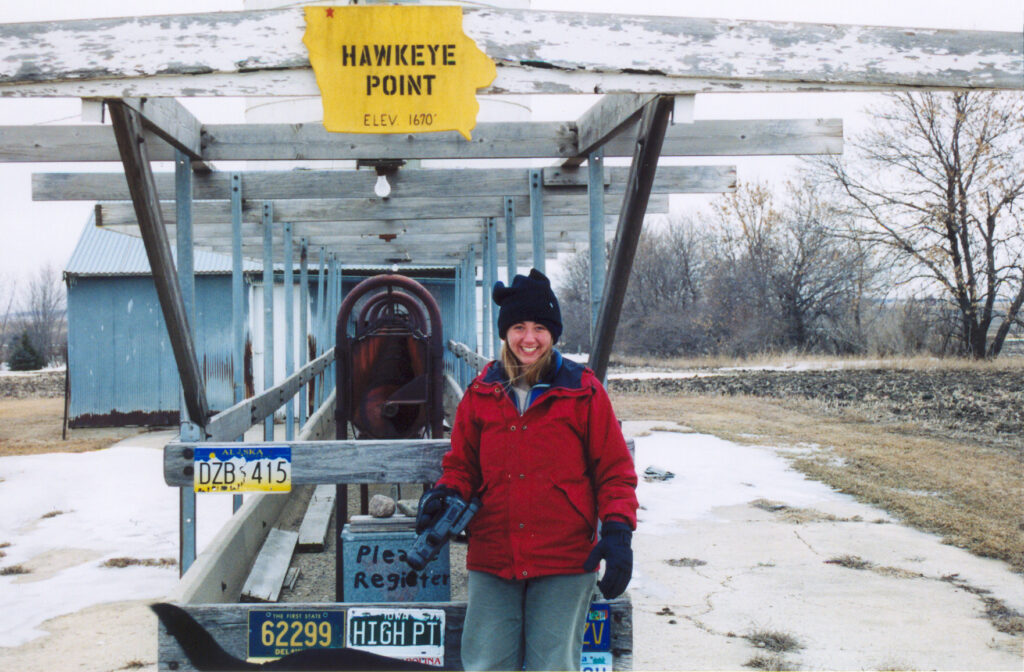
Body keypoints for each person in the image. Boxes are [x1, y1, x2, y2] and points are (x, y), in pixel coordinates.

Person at [416, 269, 638, 671]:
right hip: (494, 555)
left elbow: (614, 471)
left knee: (553, 665)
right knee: (486, 663)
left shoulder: (584, 391)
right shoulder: (482, 392)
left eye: (540, 328)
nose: (529, 338)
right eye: (519, 327)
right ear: (505, 333)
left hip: (564, 559)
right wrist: (445, 493)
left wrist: (618, 531)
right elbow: (462, 465)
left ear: (553, 333)